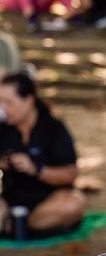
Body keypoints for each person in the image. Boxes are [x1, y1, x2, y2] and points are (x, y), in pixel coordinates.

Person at [0, 72, 86, 237]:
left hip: (49, 200)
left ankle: (24, 226)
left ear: (29, 101)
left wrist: (36, 169)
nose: (4, 108)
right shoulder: (4, 128)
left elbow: (70, 174)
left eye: (9, 103)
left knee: (74, 204)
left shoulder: (53, 128)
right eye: (0, 102)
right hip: (10, 199)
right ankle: (15, 225)